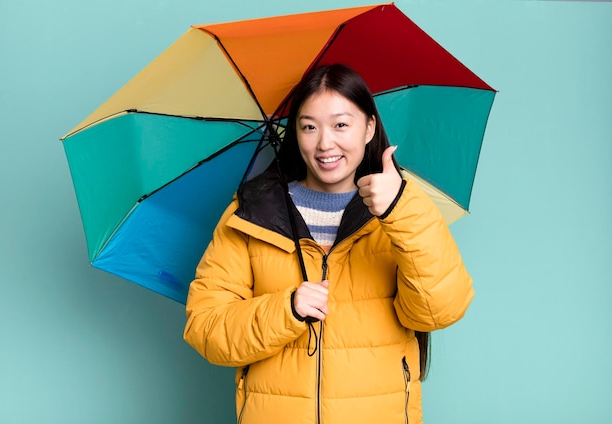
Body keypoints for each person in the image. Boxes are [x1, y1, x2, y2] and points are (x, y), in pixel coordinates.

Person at [184, 64, 474, 424]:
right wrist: (286, 309)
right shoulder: (250, 214)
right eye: (309, 127)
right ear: (295, 133)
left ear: (369, 127)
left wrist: (401, 209)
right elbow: (206, 328)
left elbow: (439, 309)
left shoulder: (402, 211)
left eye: (340, 125)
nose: (324, 143)